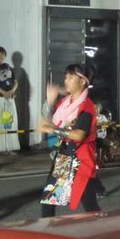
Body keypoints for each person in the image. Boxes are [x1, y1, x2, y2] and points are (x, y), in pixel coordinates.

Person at [37, 63, 101, 217]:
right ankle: (48, 238)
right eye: (66, 77)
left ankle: (105, 235)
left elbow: (79, 135)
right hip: (64, 158)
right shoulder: (65, 103)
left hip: (81, 161)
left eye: (71, 77)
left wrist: (53, 129)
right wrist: (49, 102)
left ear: (83, 81)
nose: (66, 80)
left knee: (89, 205)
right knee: (49, 201)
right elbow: (46, 123)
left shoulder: (87, 106)